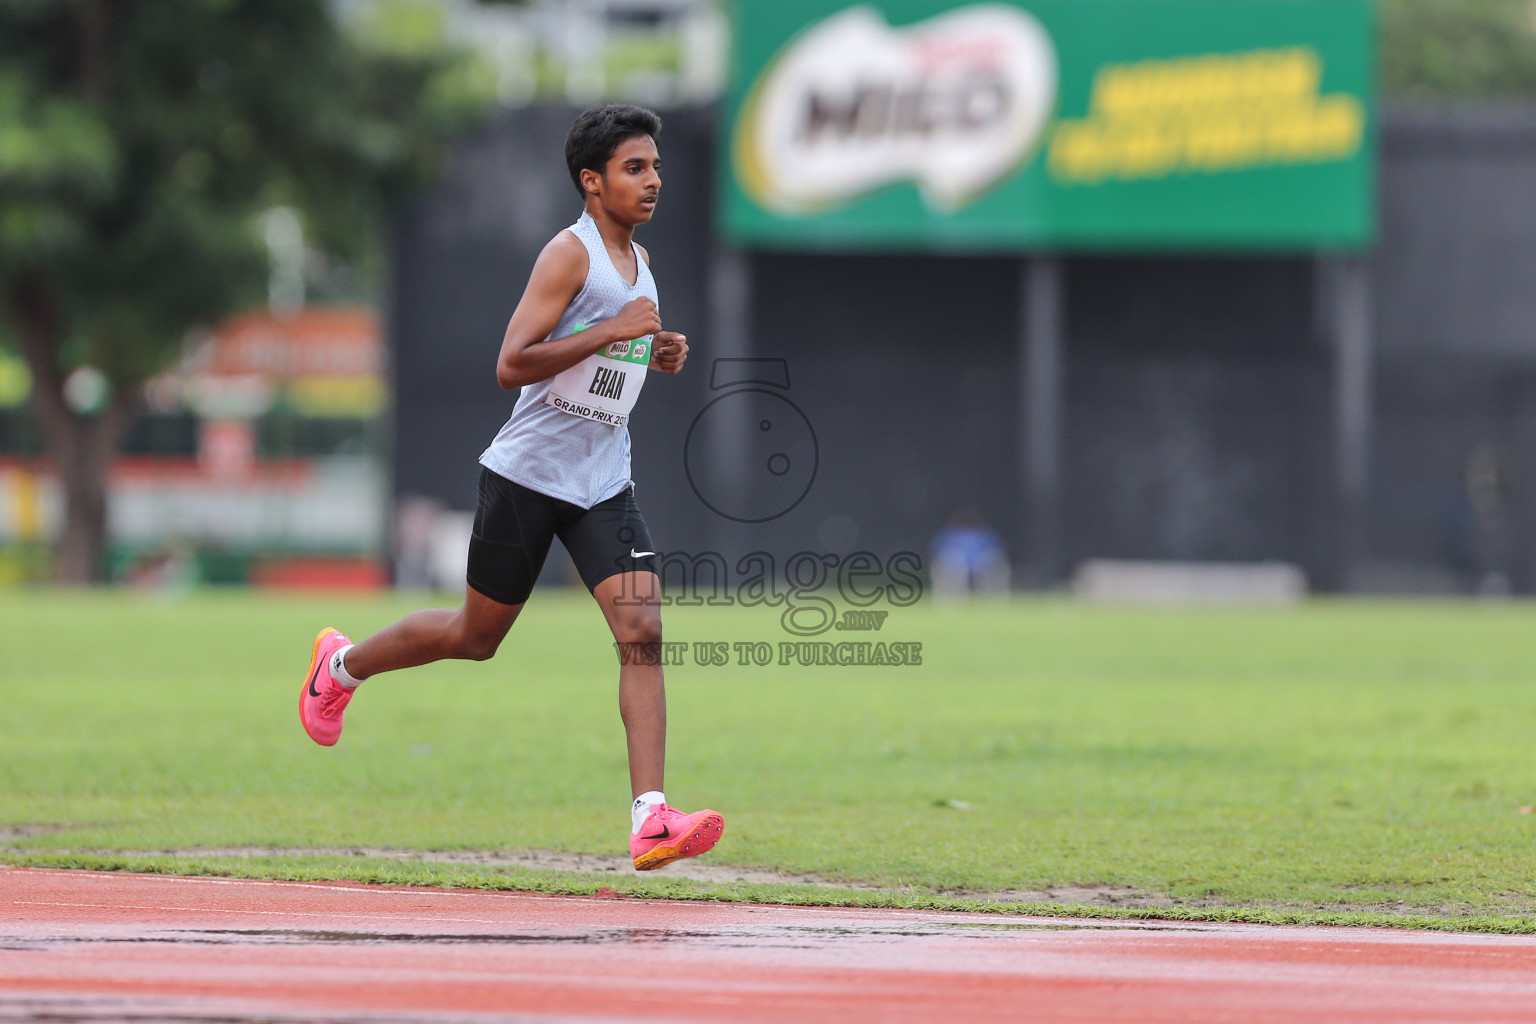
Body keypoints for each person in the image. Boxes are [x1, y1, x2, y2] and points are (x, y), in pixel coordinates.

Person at [297, 104, 723, 872]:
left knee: (643, 631)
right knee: (475, 637)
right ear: (592, 182)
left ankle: (651, 817)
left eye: (656, 166)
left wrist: (652, 350)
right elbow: (512, 363)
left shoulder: (642, 262)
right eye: (636, 167)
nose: (654, 179)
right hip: (527, 477)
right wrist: (613, 332)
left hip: (602, 480)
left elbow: (607, 357)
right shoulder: (570, 254)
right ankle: (341, 666)